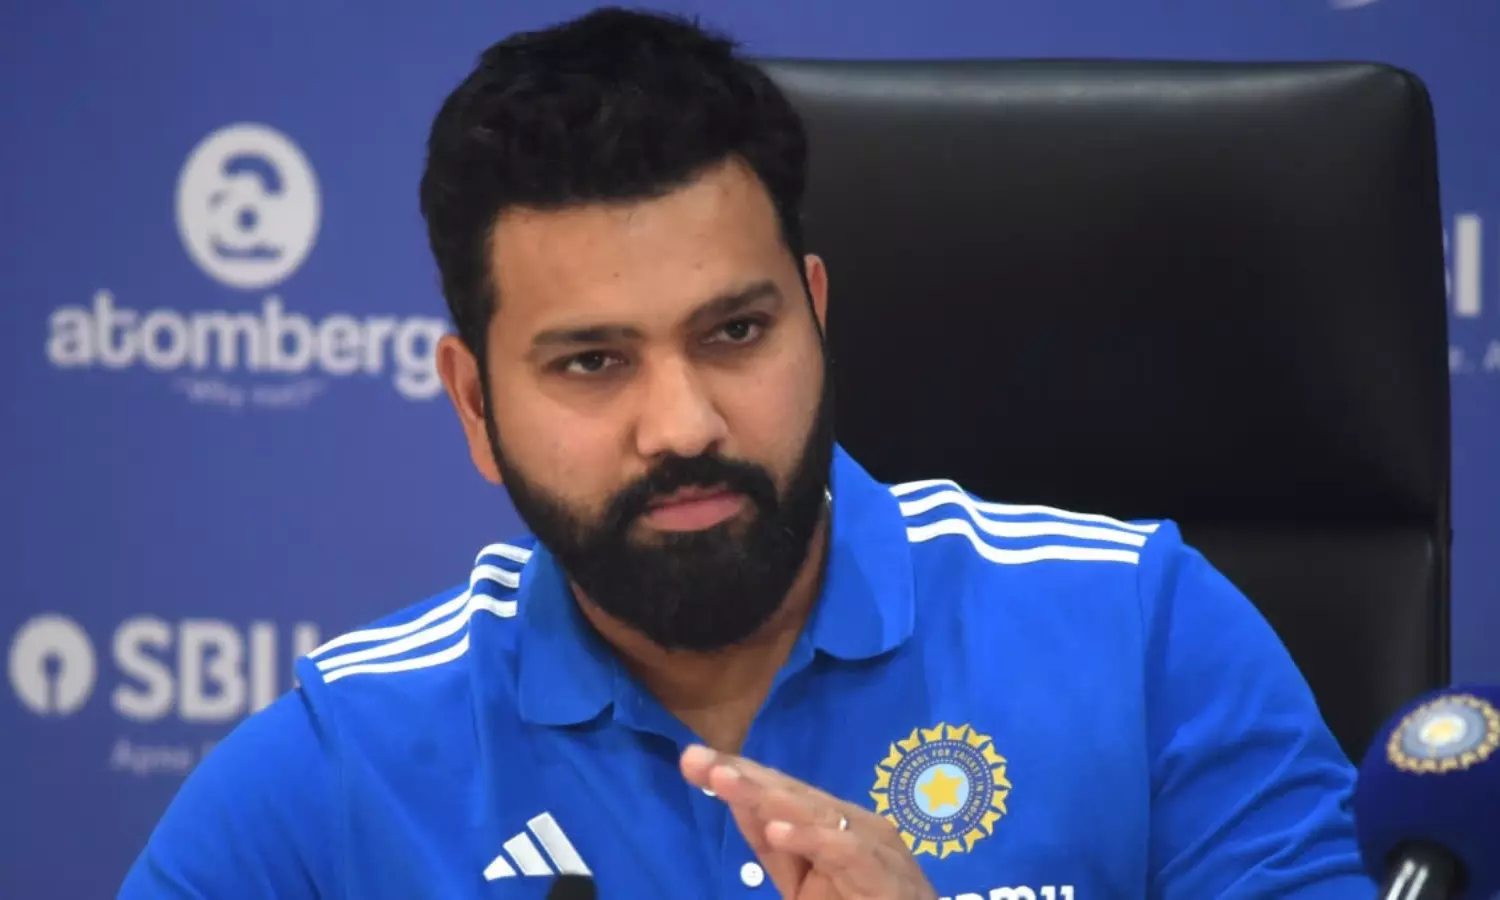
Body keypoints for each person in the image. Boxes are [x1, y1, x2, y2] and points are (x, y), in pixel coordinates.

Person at [119, 7, 1377, 899]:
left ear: (815, 316)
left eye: (734, 332)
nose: (683, 425)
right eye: (591, 362)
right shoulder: (341, 770)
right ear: (473, 405)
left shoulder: (1144, 635)